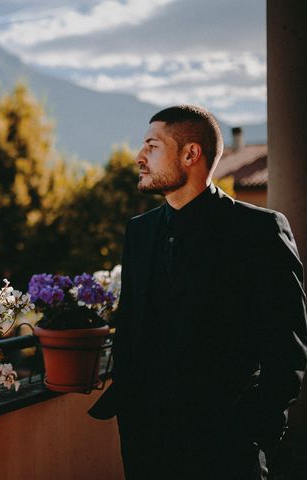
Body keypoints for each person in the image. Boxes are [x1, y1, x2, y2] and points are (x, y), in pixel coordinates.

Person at [88, 105, 307, 479]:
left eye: (152, 146)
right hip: (145, 445)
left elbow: (287, 345)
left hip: (225, 448)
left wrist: (251, 429)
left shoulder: (259, 231)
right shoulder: (139, 231)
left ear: (191, 154)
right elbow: (133, 325)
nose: (140, 157)